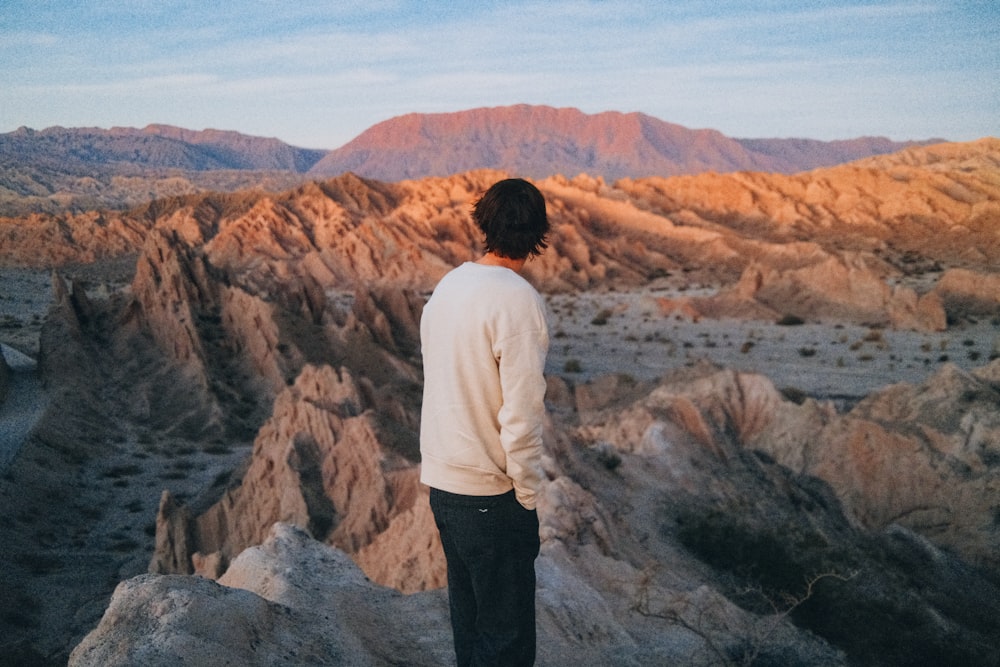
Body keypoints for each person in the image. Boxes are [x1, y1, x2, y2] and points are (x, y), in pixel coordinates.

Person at [420, 177, 551, 667]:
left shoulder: (449, 286)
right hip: (490, 495)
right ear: (539, 232)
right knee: (507, 642)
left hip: (444, 487)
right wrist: (527, 495)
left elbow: (437, 372)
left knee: (471, 630)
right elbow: (521, 415)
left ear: (483, 223)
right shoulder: (519, 301)